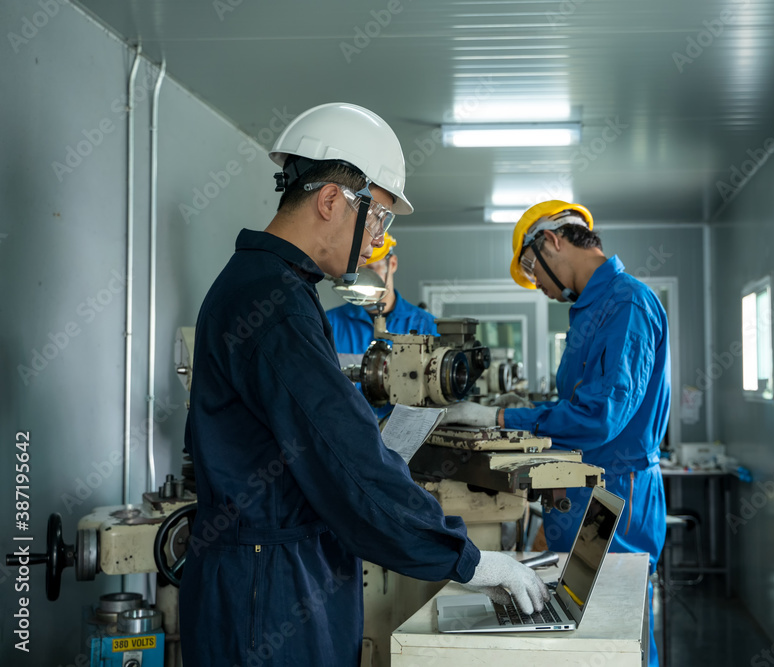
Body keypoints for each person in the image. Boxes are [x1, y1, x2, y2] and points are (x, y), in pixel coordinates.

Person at [179, 103, 548, 666]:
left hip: (271, 570)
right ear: (330, 200)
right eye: (378, 217)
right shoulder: (274, 304)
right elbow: (345, 460)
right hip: (269, 589)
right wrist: (469, 561)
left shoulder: (273, 288)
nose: (377, 238)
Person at [439, 200, 669, 666]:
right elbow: (578, 407)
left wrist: (500, 420)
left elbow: (601, 416)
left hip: (614, 494)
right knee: (579, 626)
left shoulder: (626, 302)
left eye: (532, 270)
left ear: (552, 240)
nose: (538, 286)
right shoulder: (590, 310)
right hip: (585, 487)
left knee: (617, 630)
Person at [326, 233, 438, 419]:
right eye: (357, 274)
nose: (362, 280)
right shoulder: (329, 324)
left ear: (392, 264)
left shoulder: (425, 325)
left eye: (370, 269)